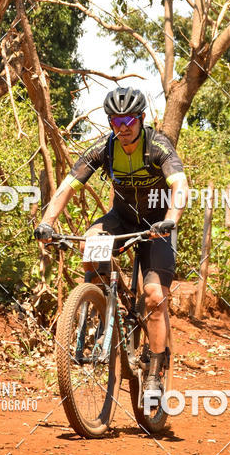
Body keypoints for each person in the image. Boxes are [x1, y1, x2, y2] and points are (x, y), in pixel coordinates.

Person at [34, 86, 189, 394]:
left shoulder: (157, 146)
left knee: (155, 297)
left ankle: (156, 372)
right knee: (87, 242)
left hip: (157, 224)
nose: (122, 128)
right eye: (115, 121)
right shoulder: (104, 148)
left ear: (142, 119)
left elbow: (180, 185)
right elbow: (67, 186)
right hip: (120, 219)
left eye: (129, 121)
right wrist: (47, 222)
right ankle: (101, 298)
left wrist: (170, 219)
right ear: (109, 123)